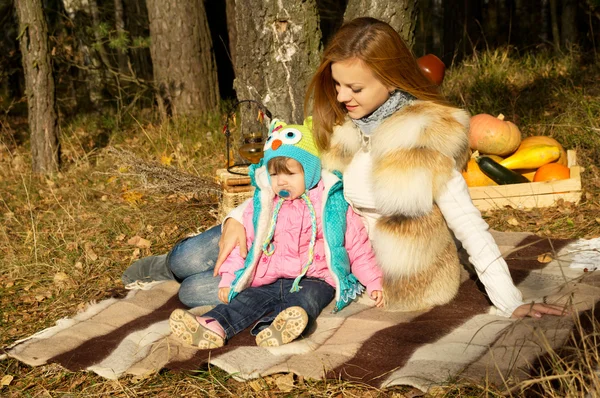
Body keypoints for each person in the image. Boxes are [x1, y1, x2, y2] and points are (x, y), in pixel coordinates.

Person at [122, 17, 565, 319]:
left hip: (336, 254)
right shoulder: (341, 123)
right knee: (189, 257)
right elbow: (290, 175)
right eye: (336, 83)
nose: (342, 96)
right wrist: (238, 219)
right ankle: (163, 265)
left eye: (354, 87)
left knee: (197, 290)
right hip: (294, 221)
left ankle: (176, 274)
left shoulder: (427, 137)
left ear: (391, 78)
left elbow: (469, 226)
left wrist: (510, 302)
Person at [168, 119, 383, 349]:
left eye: (290, 174)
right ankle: (213, 324)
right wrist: (230, 278)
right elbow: (245, 246)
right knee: (246, 299)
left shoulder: (328, 204)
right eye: (274, 174)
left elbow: (356, 247)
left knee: (305, 301)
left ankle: (276, 327)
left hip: (314, 277)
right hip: (269, 276)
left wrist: (374, 281)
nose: (281, 181)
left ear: (309, 172)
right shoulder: (266, 204)